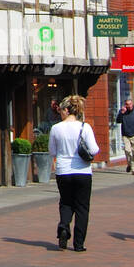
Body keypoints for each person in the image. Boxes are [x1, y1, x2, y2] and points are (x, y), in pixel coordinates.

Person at [48, 95, 99, 252]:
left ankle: (64, 227)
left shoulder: (56, 128)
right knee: (82, 207)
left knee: (66, 202)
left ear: (66, 110)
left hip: (63, 171)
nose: (60, 113)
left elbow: (52, 151)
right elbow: (95, 149)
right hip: (83, 171)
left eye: (61, 110)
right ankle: (78, 244)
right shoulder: (85, 127)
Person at [114, 96, 134, 174]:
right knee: (127, 151)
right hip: (126, 135)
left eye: (130, 104)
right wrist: (121, 113)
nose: (129, 106)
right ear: (125, 105)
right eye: (128, 104)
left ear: (132, 103)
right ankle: (129, 164)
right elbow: (118, 121)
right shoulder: (123, 112)